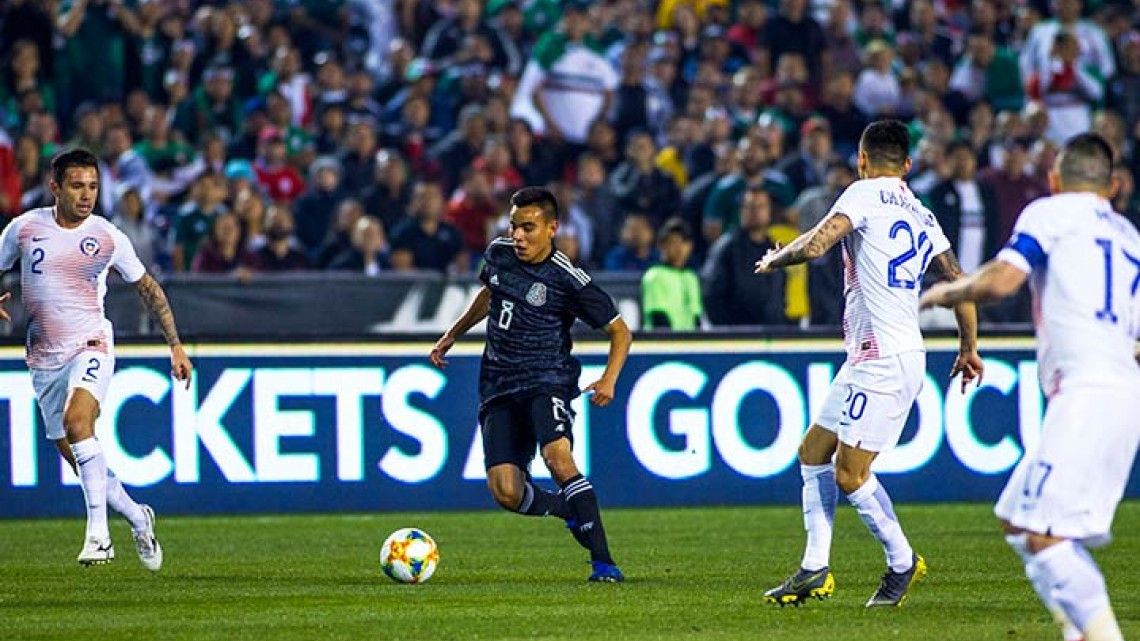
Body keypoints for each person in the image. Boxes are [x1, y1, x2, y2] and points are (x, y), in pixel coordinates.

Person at [754, 120, 983, 607]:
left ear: (861, 159)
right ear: (908, 165)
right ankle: (814, 568)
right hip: (883, 354)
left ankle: (901, 562)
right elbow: (959, 281)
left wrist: (776, 260)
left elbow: (817, 243)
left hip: (882, 359)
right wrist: (968, 347)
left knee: (849, 474)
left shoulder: (861, 194)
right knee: (813, 452)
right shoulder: (922, 214)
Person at [920, 133, 1139, 641]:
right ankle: (1078, 631)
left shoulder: (1050, 212)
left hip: (1087, 392)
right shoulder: (1128, 235)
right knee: (1018, 521)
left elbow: (1001, 281)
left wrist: (946, 293)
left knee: (1043, 534)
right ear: (1112, 186)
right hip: (1119, 391)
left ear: (1055, 179)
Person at [0, 148, 193, 569]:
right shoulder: (24, 229)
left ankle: (98, 536)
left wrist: (175, 345)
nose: (86, 195)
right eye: (77, 186)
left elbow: (148, 288)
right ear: (55, 187)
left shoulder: (107, 236)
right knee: (80, 456)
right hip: (43, 358)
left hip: (91, 344)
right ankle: (138, 517)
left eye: (92, 186)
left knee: (78, 422)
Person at [429, 186, 632, 583]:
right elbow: (490, 292)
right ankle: (568, 509)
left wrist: (609, 379)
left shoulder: (567, 278)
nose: (518, 236)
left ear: (552, 228)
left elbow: (620, 331)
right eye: (514, 226)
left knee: (558, 458)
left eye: (528, 228)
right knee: (506, 491)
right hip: (498, 385)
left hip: (546, 380)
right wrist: (453, 333)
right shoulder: (498, 253)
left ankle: (604, 564)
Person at [642, 217, 701, 330]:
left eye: (683, 242)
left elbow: (696, 317)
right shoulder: (655, 276)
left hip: (690, 340)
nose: (679, 248)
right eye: (673, 242)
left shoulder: (691, 277)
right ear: (661, 245)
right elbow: (658, 317)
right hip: (663, 339)